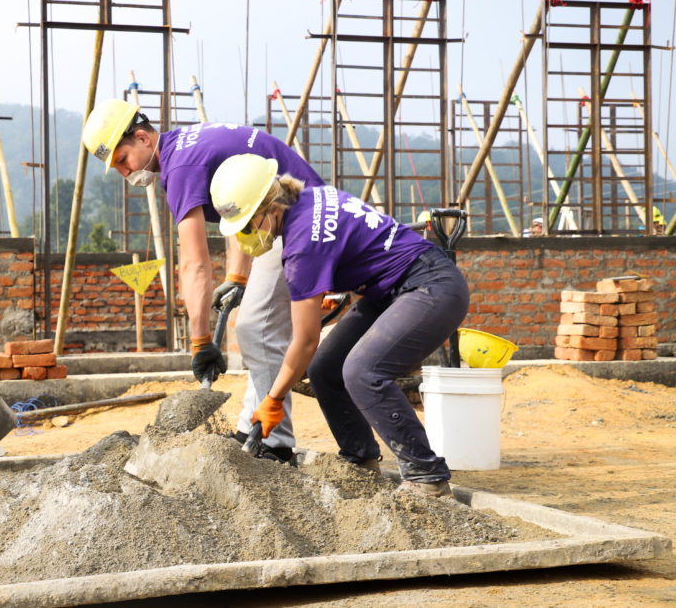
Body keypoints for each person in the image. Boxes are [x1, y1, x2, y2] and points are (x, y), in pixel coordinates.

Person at [210, 154, 471, 495]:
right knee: (326, 370)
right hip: (389, 291)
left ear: (270, 208)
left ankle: (426, 475)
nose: (245, 238)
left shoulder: (302, 247)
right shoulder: (305, 199)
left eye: (248, 226)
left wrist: (273, 398)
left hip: (431, 286)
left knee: (363, 370)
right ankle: (360, 460)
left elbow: (304, 340)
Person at [82, 99, 324, 464]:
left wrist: (199, 342)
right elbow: (237, 210)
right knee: (254, 330)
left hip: (296, 217)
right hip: (283, 214)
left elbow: (194, 264)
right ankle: (250, 429)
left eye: (122, 160)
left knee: (256, 329)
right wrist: (238, 276)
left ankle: (275, 444)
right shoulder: (188, 146)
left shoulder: (180, 168)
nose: (124, 173)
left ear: (144, 138)